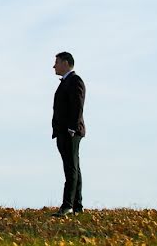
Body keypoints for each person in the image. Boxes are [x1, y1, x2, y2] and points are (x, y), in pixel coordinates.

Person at [51, 52, 85, 216]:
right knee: (73, 167)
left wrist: (72, 128)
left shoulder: (74, 81)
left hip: (70, 133)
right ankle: (76, 206)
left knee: (71, 168)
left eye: (56, 62)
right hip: (63, 132)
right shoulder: (66, 82)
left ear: (65, 63)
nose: (54, 66)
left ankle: (68, 205)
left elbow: (78, 106)